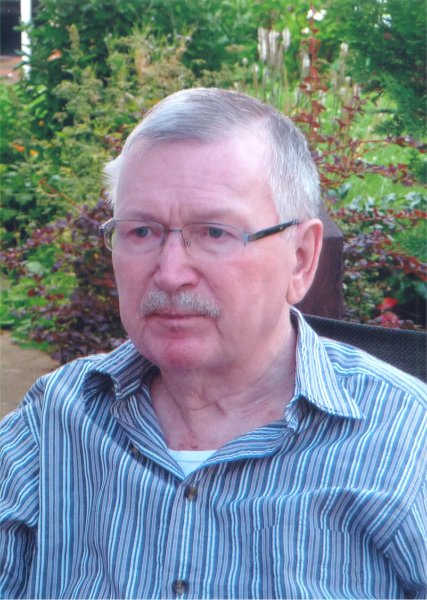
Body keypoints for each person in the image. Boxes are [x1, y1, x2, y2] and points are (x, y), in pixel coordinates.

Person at [1, 88, 426, 600]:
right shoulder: (54, 423)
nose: (170, 272)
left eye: (215, 233)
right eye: (142, 231)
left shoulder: (406, 442)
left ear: (300, 259)